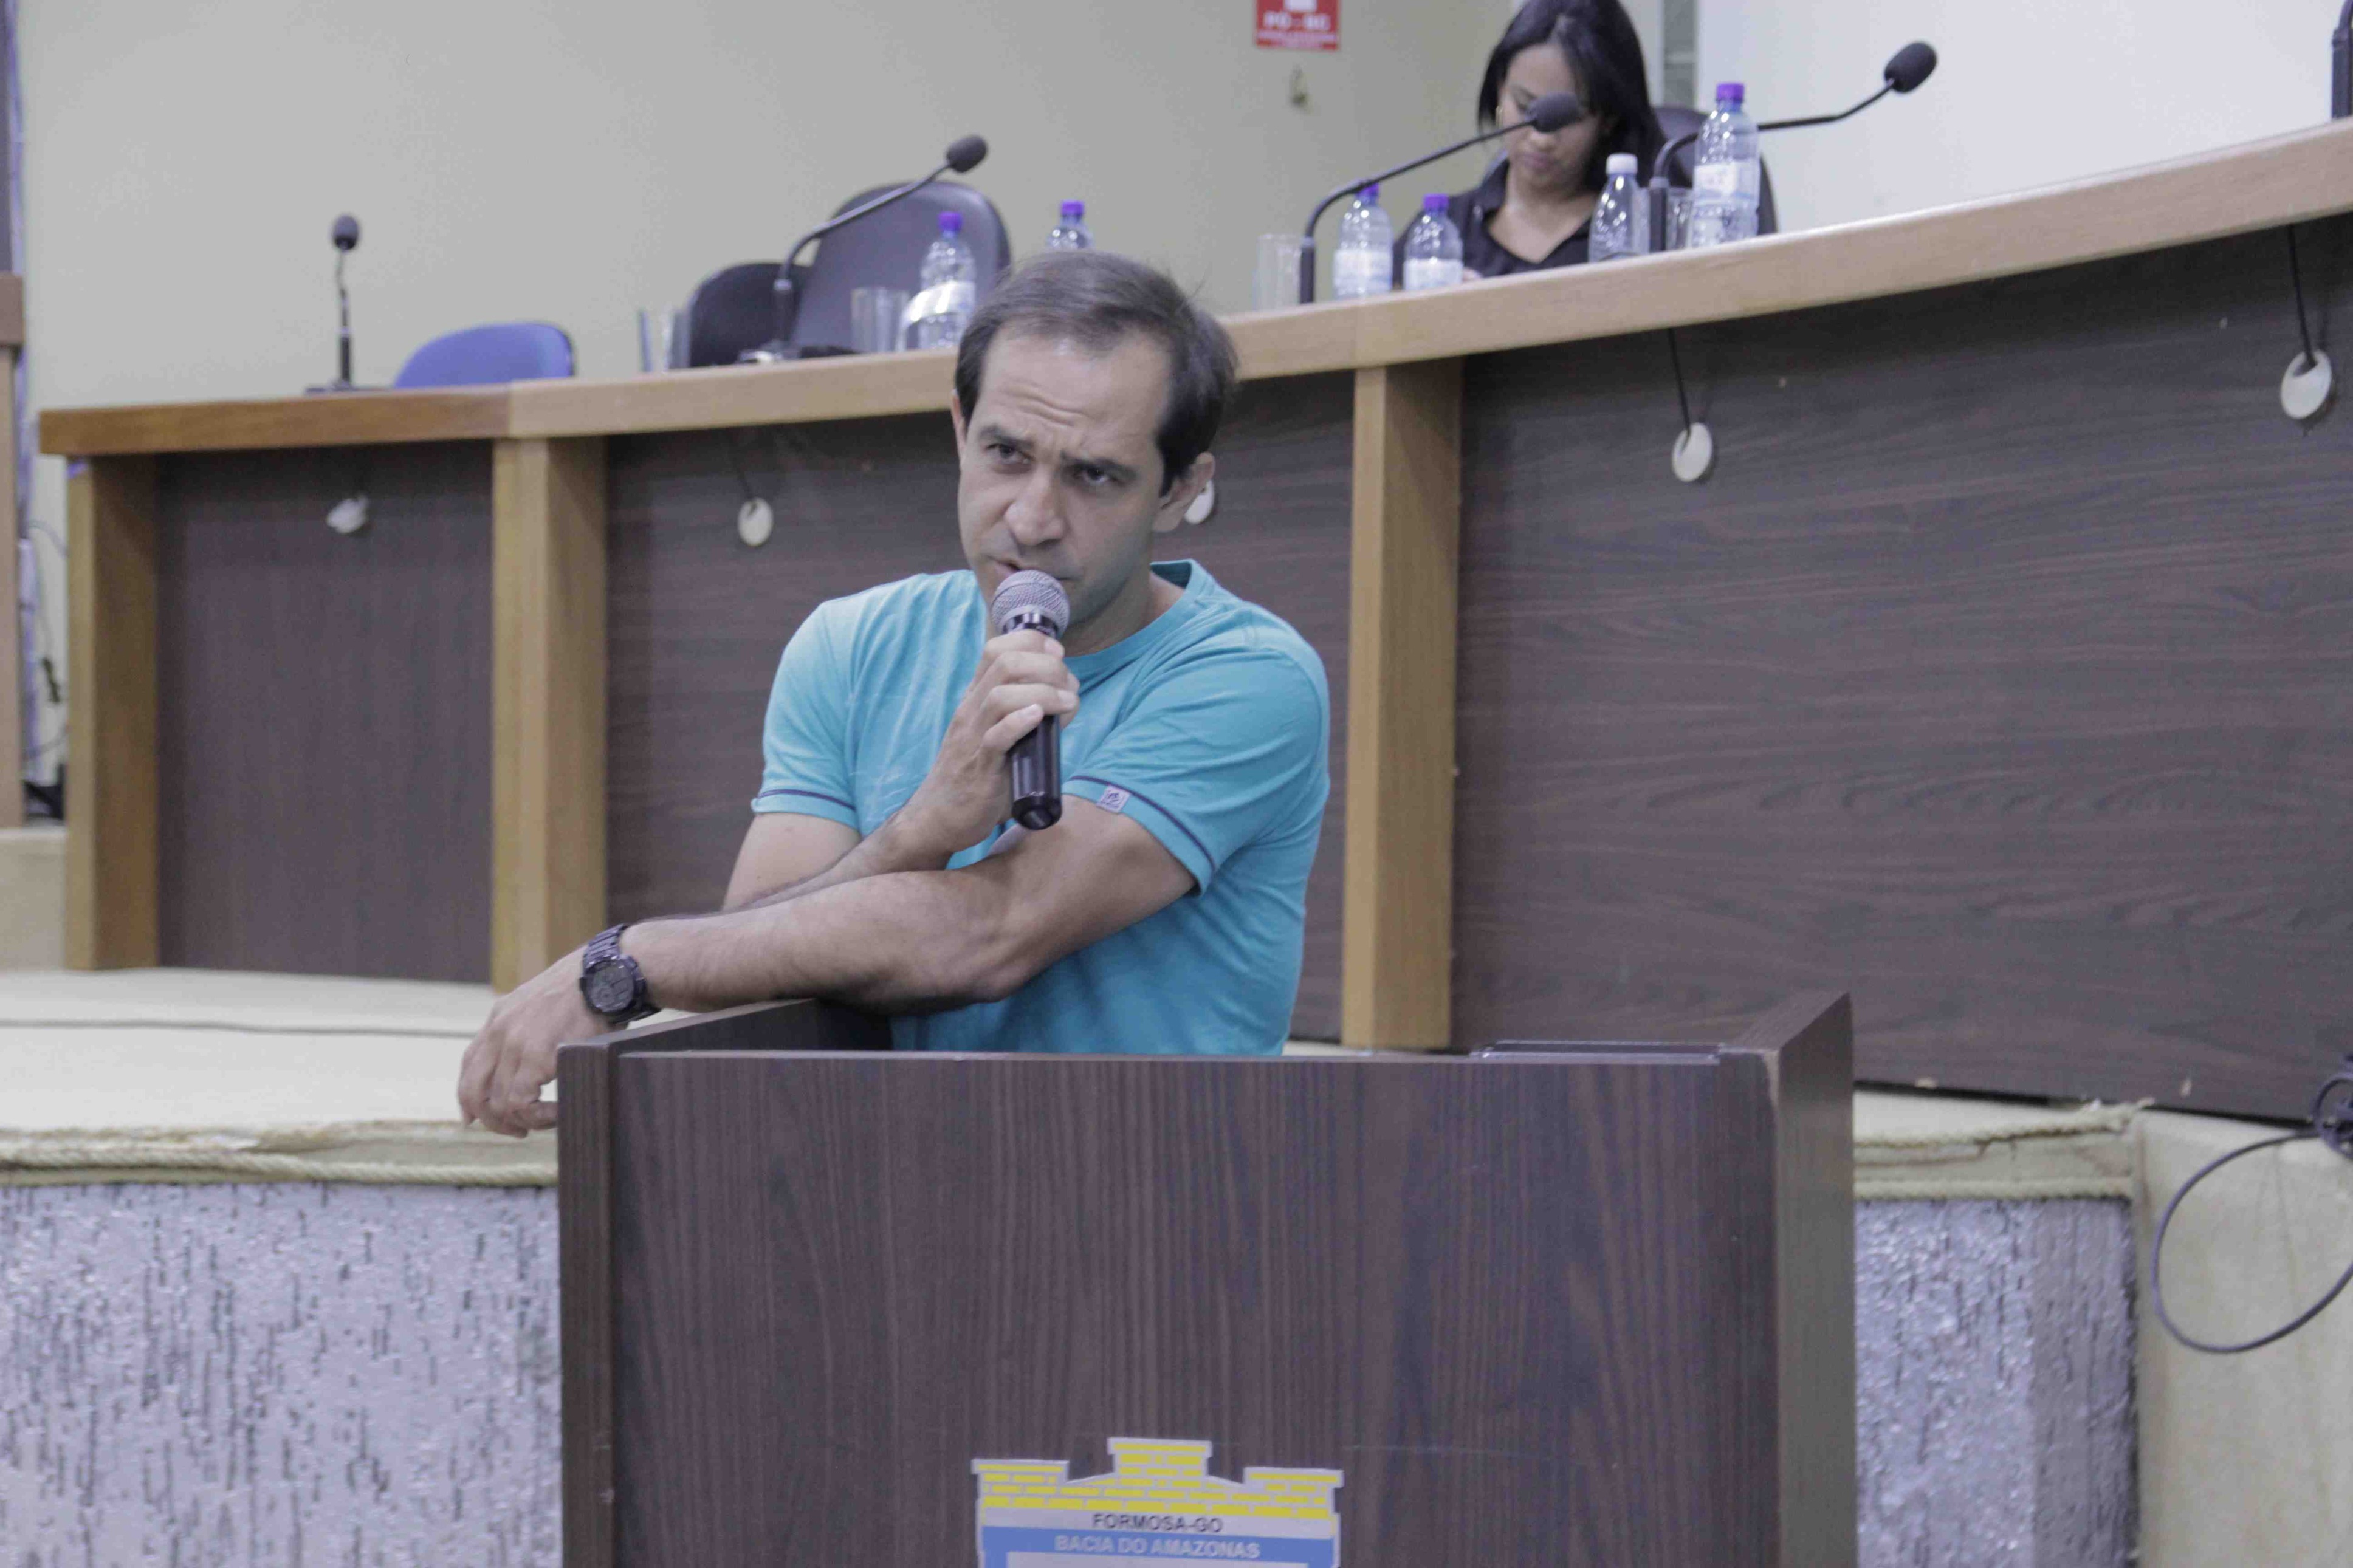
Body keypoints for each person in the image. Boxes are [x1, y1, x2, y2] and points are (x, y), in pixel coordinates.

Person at [457, 251, 1331, 1137]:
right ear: (959, 430)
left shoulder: (1248, 677)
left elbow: (993, 933)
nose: (1031, 519)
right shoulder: (852, 644)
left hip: (1149, 1175)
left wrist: (628, 961)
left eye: (1092, 475)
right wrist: (923, 828)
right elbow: (764, 952)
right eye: (1006, 454)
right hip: (885, 1170)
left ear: (1180, 490)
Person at [1429, 0, 1665, 279]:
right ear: (1499, 89)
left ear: (1608, 119)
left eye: (1568, 118)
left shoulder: (1641, 233)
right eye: (1525, 106)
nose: (1542, 140)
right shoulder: (1441, 231)